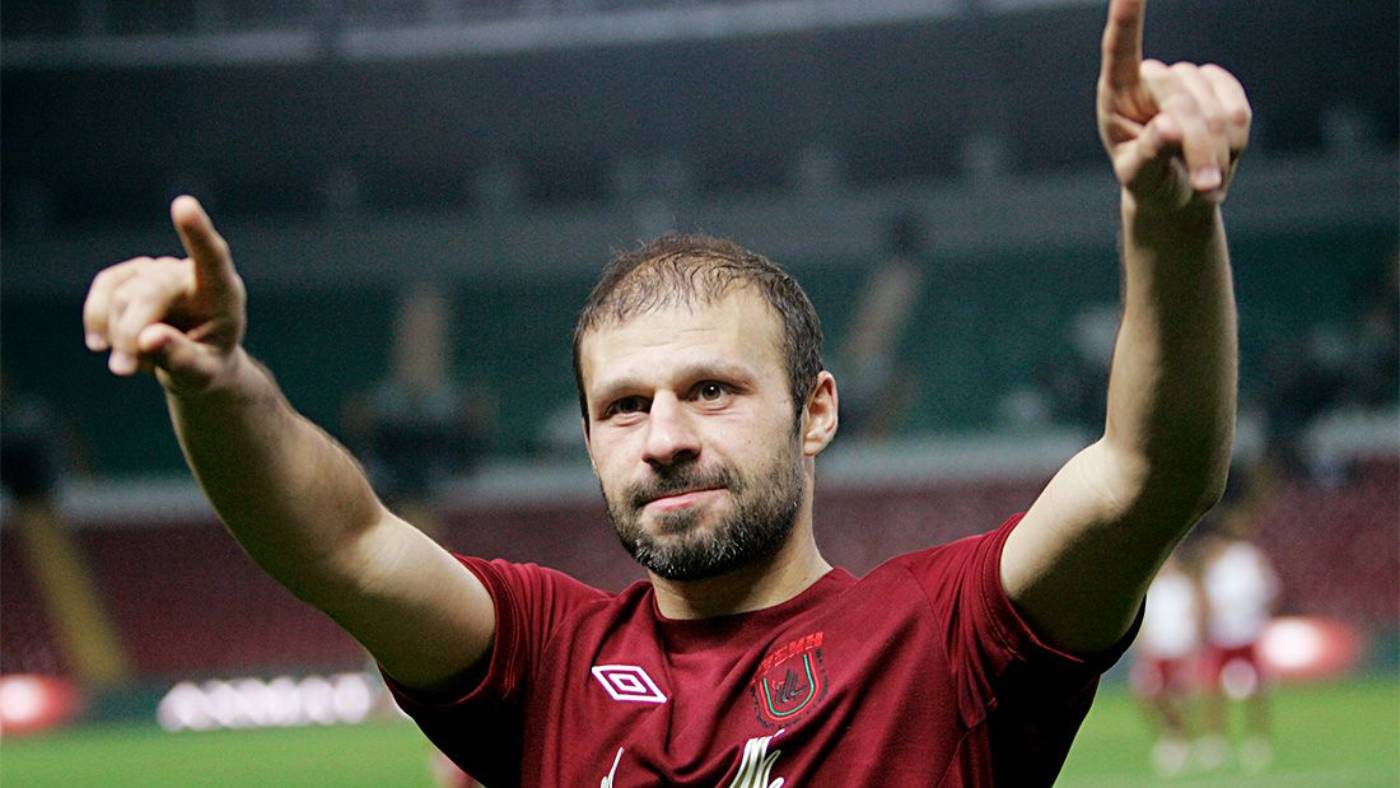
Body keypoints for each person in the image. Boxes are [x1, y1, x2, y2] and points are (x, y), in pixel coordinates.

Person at [80, 1, 1249, 783]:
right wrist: (216, 381)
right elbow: (337, 542)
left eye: (711, 389)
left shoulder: (944, 637)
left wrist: (1166, 219)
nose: (665, 436)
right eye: (623, 406)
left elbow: (1148, 472)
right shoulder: (541, 657)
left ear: (817, 409)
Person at [1129, 552, 1203, 776]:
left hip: (1179, 648)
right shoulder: (1150, 588)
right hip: (1156, 650)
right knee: (1146, 695)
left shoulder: (1182, 585)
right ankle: (1172, 733)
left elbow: (1196, 613)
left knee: (1180, 696)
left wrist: (1195, 645)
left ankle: (1179, 740)